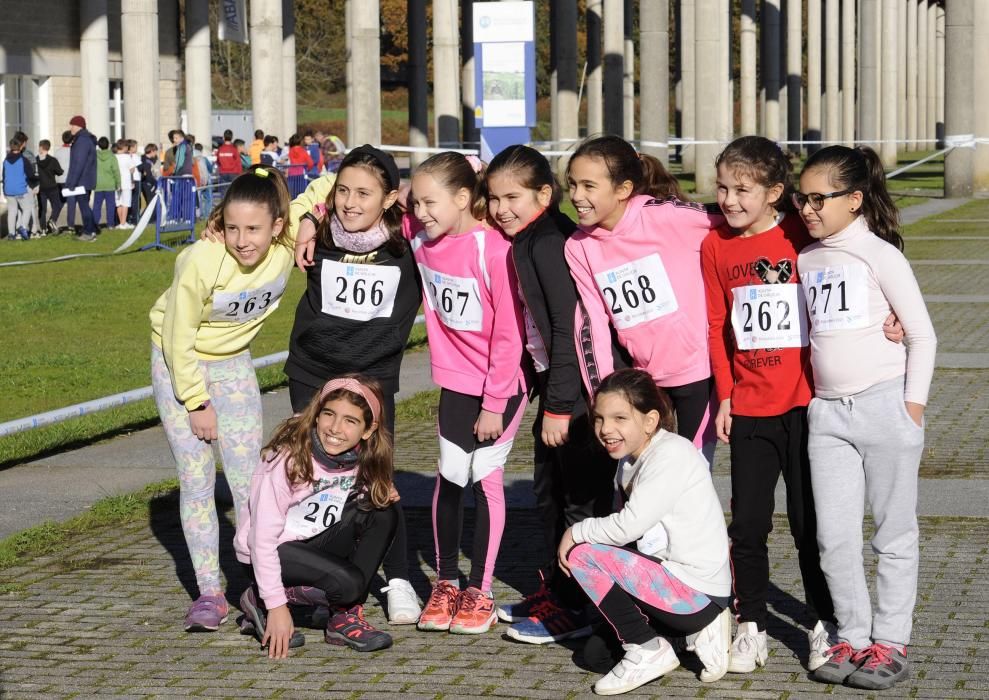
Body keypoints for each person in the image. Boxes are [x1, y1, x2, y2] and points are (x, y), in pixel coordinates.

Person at [795, 146, 936, 690]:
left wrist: (911, 410)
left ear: (854, 200)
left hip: (885, 406)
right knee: (834, 537)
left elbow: (922, 334)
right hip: (827, 415)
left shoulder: (880, 255)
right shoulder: (807, 259)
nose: (807, 209)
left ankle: (891, 640)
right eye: (801, 198)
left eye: (818, 199)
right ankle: (852, 635)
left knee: (893, 535)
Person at [701, 136, 838, 675]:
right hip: (751, 409)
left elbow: (855, 265)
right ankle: (751, 624)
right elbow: (717, 328)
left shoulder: (801, 233)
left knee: (810, 525)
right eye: (722, 187)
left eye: (743, 190)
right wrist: (726, 395)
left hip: (806, 407)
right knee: (748, 525)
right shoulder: (715, 246)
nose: (729, 200)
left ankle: (823, 621)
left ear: (775, 192)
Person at [149, 165, 298, 633]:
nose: (241, 239)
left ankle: (260, 586)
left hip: (233, 362)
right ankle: (210, 593)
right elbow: (177, 338)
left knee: (249, 480)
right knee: (196, 479)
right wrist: (196, 403)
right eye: (232, 227)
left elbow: (317, 192)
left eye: (253, 228)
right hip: (180, 363)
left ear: (277, 226)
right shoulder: (199, 260)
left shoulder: (284, 249)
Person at [483, 145, 616, 644]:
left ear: (545, 193)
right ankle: (559, 592)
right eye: (494, 198)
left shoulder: (549, 242)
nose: (501, 209)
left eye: (513, 197)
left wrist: (560, 406)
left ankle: (583, 608)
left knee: (581, 505)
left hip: (580, 396)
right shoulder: (526, 236)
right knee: (549, 495)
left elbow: (570, 328)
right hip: (557, 392)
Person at [285, 145, 423, 625]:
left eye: (363, 193)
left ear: (389, 199)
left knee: (376, 478)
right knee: (310, 474)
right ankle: (311, 569)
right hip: (312, 371)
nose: (350, 202)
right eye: (343, 191)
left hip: (373, 376)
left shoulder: (409, 237)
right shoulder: (319, 231)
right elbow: (301, 197)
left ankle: (399, 576)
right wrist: (308, 213)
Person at [408, 152, 526, 635]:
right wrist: (311, 218)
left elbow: (509, 335)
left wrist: (495, 403)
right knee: (451, 475)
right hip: (455, 380)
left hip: (500, 384)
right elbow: (379, 205)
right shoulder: (420, 239)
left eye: (431, 202)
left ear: (462, 199)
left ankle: (481, 589)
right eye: (415, 203)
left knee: (486, 478)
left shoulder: (492, 249)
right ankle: (447, 583)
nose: (421, 212)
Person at [559, 369, 733, 695]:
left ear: (650, 421)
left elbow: (628, 525)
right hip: (669, 581)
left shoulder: (670, 455)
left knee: (583, 555)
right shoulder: (629, 461)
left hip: (696, 593)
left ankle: (649, 650)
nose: (605, 429)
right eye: (599, 419)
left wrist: (576, 531)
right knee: (597, 655)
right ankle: (681, 638)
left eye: (619, 418)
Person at [563, 135, 723, 452]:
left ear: (623, 190)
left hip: (697, 372)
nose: (576, 196)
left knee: (690, 466)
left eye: (588, 186)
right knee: (637, 469)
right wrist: (602, 392)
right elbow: (591, 323)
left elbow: (732, 214)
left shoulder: (665, 216)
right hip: (643, 377)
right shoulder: (578, 247)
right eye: (572, 184)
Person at [234, 375, 399, 657]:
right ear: (316, 414)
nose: (335, 428)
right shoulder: (286, 461)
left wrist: (378, 490)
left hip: (311, 541)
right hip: (271, 550)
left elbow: (346, 503)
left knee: (383, 511)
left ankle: (343, 617)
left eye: (350, 421)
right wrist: (276, 608)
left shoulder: (361, 457)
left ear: (368, 430)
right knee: (349, 584)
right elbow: (262, 541)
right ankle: (261, 599)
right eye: (329, 415)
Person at [64, 115, 98, 241]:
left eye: (72, 125)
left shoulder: (82, 141)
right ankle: (91, 230)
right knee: (85, 206)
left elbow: (78, 163)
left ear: (78, 126)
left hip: (82, 180)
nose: (70, 128)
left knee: (84, 206)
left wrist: (72, 183)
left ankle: (89, 233)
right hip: (86, 179)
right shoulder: (85, 139)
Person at [2, 138, 37, 240]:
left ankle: (11, 234)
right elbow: (30, 175)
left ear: (11, 147)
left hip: (8, 190)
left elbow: (4, 176)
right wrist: (37, 180)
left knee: (12, 211)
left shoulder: (6, 160)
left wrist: (4, 190)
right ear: (21, 147)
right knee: (27, 208)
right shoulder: (23, 160)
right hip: (20, 189)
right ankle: (23, 227)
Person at [35, 139, 64, 235]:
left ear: (40, 147)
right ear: (48, 148)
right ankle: (52, 220)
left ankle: (43, 230)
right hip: (52, 187)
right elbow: (60, 172)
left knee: (42, 209)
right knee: (58, 205)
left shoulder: (35, 161)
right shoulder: (53, 160)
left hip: (41, 189)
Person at [93, 136, 120, 229]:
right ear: (108, 145)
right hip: (110, 185)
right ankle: (110, 224)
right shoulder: (112, 157)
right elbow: (116, 171)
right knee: (110, 206)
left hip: (98, 184)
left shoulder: (95, 156)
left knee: (97, 206)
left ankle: (95, 223)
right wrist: (118, 183)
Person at [54, 131, 72, 233]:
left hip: (60, 181)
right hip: (70, 180)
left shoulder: (57, 152)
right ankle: (70, 226)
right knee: (70, 203)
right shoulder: (73, 151)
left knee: (60, 202)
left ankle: (53, 220)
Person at [114, 138, 135, 229]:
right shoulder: (127, 157)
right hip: (126, 182)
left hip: (116, 182)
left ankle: (121, 222)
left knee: (118, 203)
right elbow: (132, 169)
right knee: (126, 203)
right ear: (124, 147)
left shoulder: (113, 156)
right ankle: (123, 223)